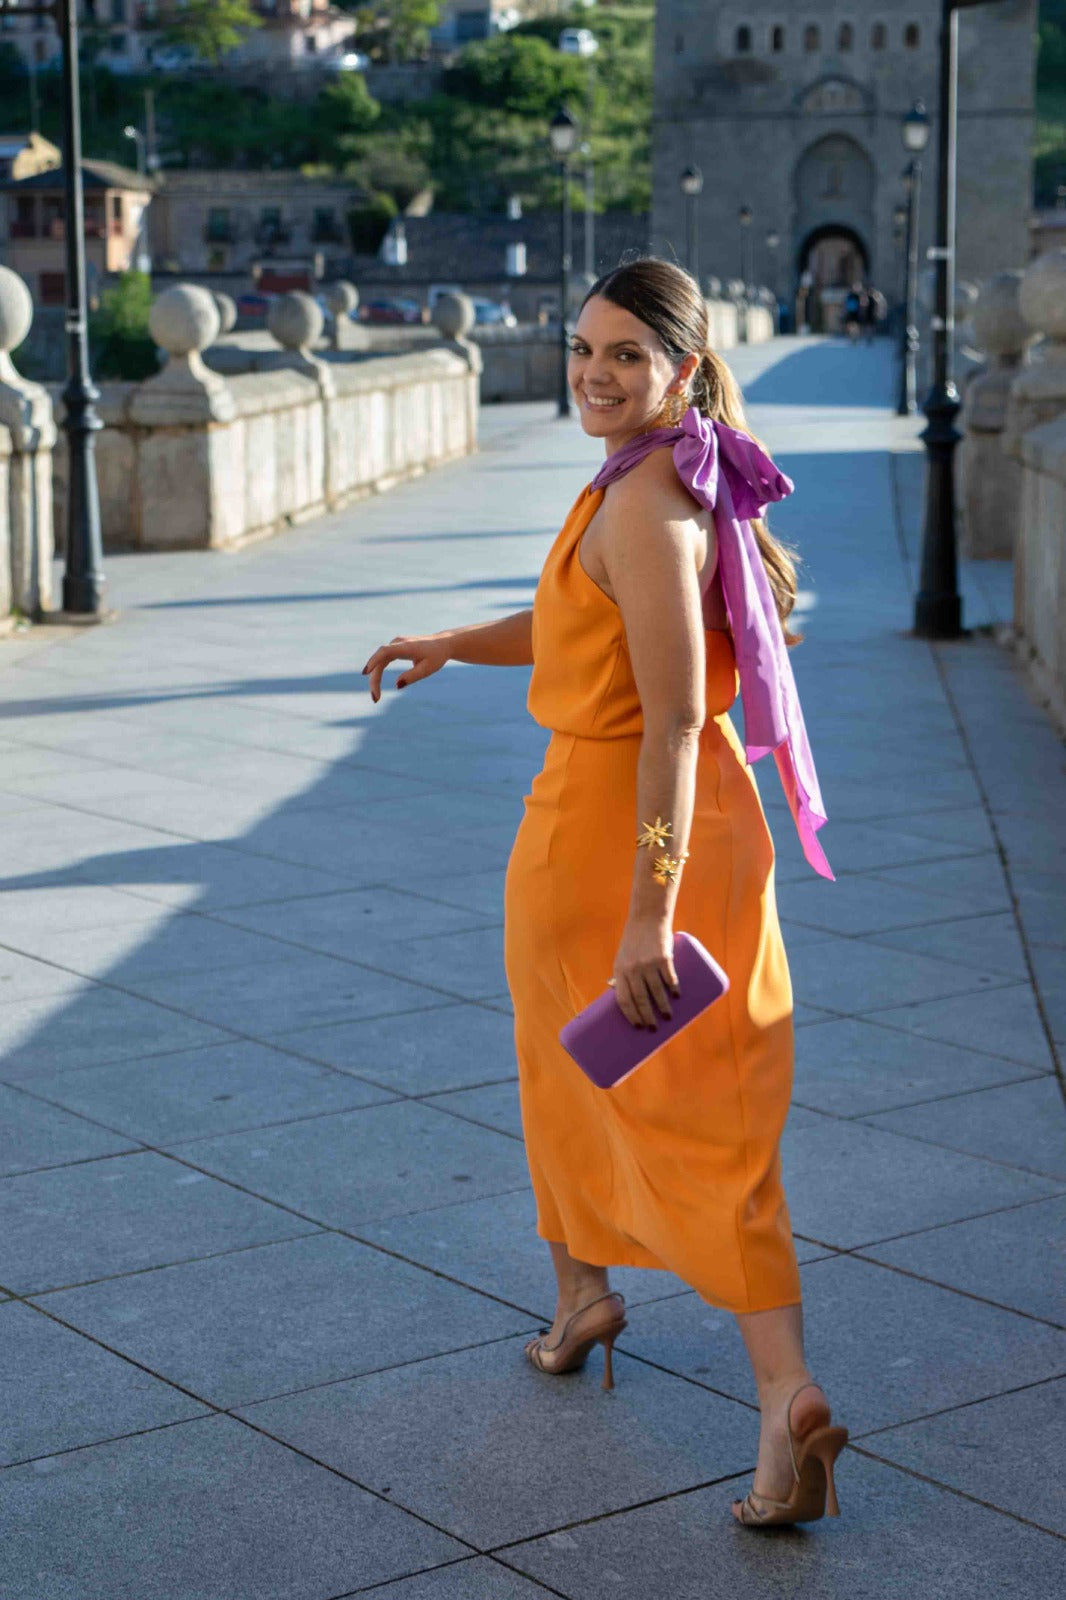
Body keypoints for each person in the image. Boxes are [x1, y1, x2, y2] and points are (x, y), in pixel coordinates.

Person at [362, 257, 847, 1529]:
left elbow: (673, 717)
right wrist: (451, 643)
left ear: (682, 368)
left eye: (627, 353)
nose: (594, 373)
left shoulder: (646, 498)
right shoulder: (656, 476)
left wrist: (650, 910)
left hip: (619, 833)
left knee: (655, 1098)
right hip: (671, 827)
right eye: (584, 348)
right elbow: (583, 624)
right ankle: (603, 1305)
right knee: (625, 1080)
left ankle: (774, 1388)